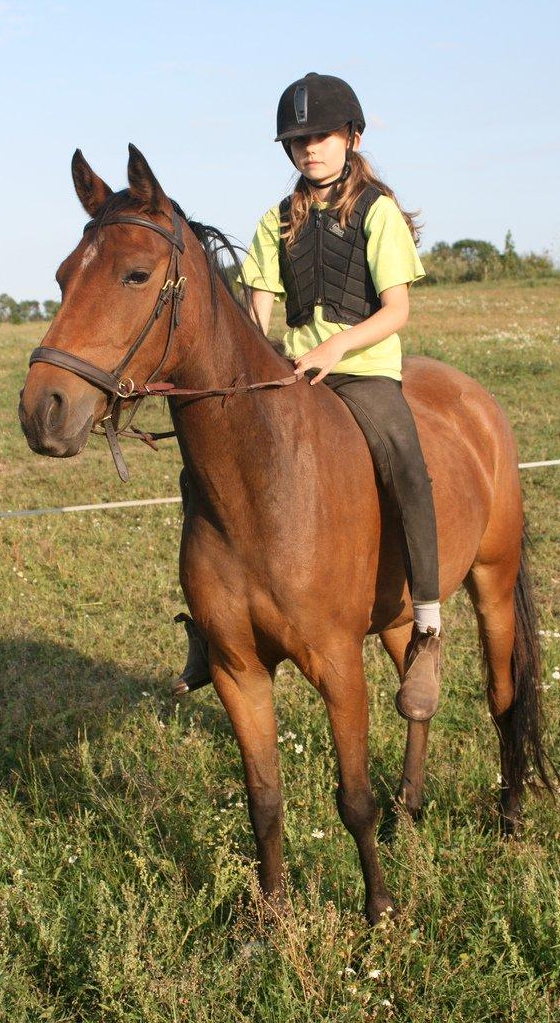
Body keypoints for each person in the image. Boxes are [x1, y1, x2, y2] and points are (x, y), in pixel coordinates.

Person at [174, 72, 442, 722]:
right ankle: (210, 628)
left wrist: (335, 348)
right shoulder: (275, 221)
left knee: (403, 460)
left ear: (350, 137)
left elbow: (396, 310)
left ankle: (427, 627)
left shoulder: (376, 213)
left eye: (319, 136)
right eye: (296, 141)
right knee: (200, 472)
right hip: (290, 377)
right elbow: (255, 314)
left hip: (362, 371)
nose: (308, 149)